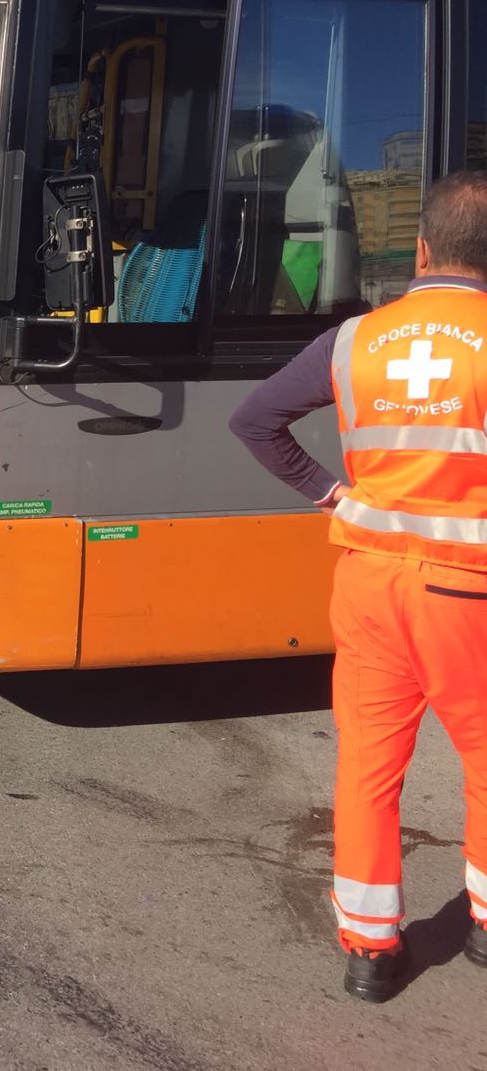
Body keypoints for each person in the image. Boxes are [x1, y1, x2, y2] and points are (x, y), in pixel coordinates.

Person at [229, 169, 487, 1003]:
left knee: (369, 769)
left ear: (420, 250)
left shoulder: (352, 340)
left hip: (370, 586)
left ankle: (370, 954)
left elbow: (255, 421)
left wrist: (331, 492)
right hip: (469, 597)